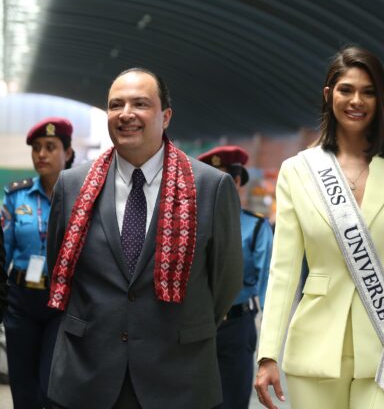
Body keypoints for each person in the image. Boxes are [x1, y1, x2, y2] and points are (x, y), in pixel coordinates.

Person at [45, 68, 243, 409]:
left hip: (178, 375)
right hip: (88, 373)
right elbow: (56, 267)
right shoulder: (73, 185)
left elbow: (225, 282)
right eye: (115, 105)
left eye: (140, 104)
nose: (126, 114)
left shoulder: (211, 187)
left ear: (165, 116)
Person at [254, 46, 384, 409]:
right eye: (346, 90)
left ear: (382, 99)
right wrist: (267, 354)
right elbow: (284, 269)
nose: (357, 101)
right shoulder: (298, 170)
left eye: (368, 92)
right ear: (328, 95)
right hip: (315, 348)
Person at [2, 117, 73, 408]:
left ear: (67, 153)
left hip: (63, 303)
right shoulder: (16, 196)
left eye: (50, 147)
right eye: (36, 148)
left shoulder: (80, 198)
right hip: (22, 300)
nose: (41, 154)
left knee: (52, 382)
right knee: (23, 382)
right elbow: (2, 249)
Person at [198, 145, 273, 409]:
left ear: (237, 180)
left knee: (232, 400)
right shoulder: (192, 223)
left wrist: (269, 343)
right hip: (196, 324)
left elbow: (268, 280)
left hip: (237, 325)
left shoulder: (255, 226)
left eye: (223, 176)